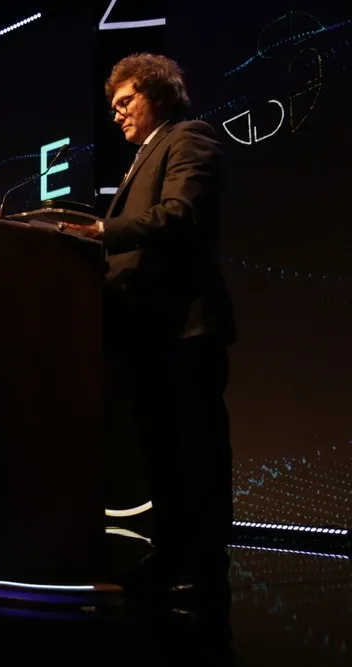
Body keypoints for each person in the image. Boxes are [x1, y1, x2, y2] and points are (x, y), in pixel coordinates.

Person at [60, 53, 235, 590]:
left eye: (125, 102)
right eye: (113, 108)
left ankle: (205, 564)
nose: (117, 115)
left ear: (157, 92)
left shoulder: (189, 137)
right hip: (145, 332)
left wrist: (99, 232)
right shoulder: (141, 158)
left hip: (184, 326)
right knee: (159, 447)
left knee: (194, 444)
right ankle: (170, 555)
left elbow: (179, 215)